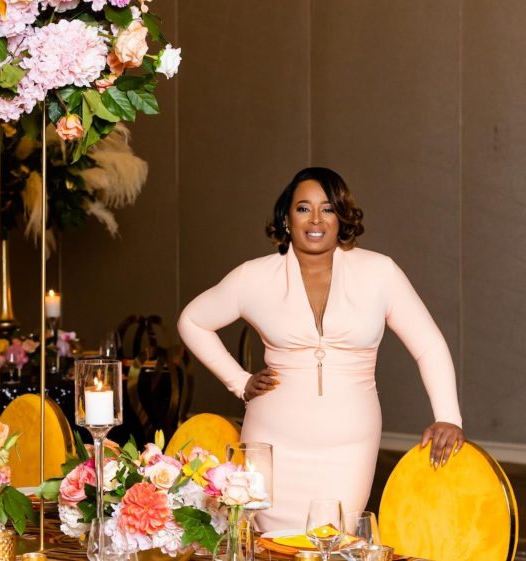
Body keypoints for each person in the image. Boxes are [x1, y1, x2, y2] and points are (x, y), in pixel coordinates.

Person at [177, 167, 464, 530]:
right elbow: (193, 320)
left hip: (349, 447)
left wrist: (448, 416)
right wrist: (239, 380)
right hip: (271, 444)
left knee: (332, 540)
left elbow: (429, 344)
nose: (315, 219)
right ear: (286, 217)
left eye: (327, 208)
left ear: (342, 216)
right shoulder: (254, 276)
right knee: (274, 546)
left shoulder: (379, 272)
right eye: (303, 208)